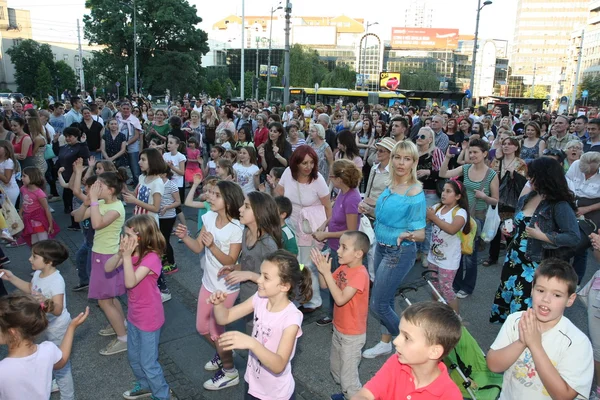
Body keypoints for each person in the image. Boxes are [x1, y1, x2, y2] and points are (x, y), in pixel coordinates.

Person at [209, 250, 311, 399]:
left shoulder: (292, 318)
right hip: (252, 384)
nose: (259, 280)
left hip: (275, 394)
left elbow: (279, 365)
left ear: (284, 286)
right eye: (261, 274)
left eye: (266, 277)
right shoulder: (260, 298)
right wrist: (218, 305)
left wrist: (252, 343)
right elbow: (225, 317)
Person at [489, 157, 580, 323]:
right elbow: (521, 225)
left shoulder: (559, 205)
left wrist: (543, 236)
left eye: (532, 177)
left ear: (545, 177)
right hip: (513, 261)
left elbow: (573, 237)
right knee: (511, 308)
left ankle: (525, 344)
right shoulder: (528, 197)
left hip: (535, 266)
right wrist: (510, 230)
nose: (529, 180)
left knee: (525, 313)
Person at [487, 259, 593, 399]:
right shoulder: (516, 321)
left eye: (557, 295)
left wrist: (535, 345)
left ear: (570, 299)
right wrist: (521, 342)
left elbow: (564, 396)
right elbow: (494, 365)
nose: (546, 299)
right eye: (541, 290)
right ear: (532, 289)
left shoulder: (576, 343)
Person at [175, 180, 244, 390]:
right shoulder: (209, 217)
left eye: (215, 195)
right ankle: (222, 352)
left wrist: (212, 245)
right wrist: (185, 237)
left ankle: (230, 371)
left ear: (228, 200)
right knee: (202, 328)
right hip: (208, 283)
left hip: (226, 289)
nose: (209, 197)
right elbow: (197, 247)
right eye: (210, 193)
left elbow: (230, 262)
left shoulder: (237, 228)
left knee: (215, 330)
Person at [362, 141, 426, 359]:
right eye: (398, 157)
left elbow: (420, 233)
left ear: (414, 162)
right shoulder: (390, 186)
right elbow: (387, 218)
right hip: (381, 247)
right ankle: (385, 343)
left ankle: (408, 344)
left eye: (407, 158)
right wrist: (369, 208)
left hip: (399, 252)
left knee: (378, 304)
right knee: (387, 300)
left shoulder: (414, 191)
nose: (401, 162)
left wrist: (405, 235)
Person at [104, 215, 171, 400]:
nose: (122, 238)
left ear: (140, 237)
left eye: (126, 235)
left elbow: (130, 282)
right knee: (134, 357)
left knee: (148, 363)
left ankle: (162, 395)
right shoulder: (130, 255)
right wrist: (120, 253)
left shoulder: (151, 258)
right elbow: (108, 268)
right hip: (134, 315)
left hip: (149, 317)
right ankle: (144, 385)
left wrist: (126, 258)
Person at [0, 240, 76, 399]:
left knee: (61, 364)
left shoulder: (56, 281)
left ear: (48, 262)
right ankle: (48, 376)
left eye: (34, 257)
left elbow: (58, 309)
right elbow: (31, 288)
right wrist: (12, 278)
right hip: (45, 324)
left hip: (58, 326)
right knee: (48, 357)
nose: (29, 259)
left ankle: (68, 396)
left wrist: (45, 303)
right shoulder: (38, 274)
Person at [351, 302, 463, 400]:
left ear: (434, 351)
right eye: (400, 333)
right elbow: (365, 394)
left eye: (407, 338)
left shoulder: (449, 396)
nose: (396, 341)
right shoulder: (396, 363)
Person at [72, 171, 127, 356]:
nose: (96, 188)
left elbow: (96, 224)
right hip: (100, 253)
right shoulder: (102, 203)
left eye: (100, 185)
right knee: (109, 298)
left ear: (111, 190)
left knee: (104, 301)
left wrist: (94, 200)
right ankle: (120, 324)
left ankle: (123, 339)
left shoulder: (116, 208)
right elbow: (78, 217)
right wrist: (87, 202)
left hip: (108, 256)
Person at [311, 232, 371, 400]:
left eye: (344, 247)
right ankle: (346, 395)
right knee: (336, 369)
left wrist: (326, 273)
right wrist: (322, 269)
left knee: (349, 380)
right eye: (340, 246)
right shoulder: (344, 267)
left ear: (359, 253)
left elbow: (340, 299)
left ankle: (354, 396)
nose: (338, 250)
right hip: (339, 328)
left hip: (352, 335)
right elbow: (325, 285)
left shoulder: (360, 274)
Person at [439, 139, 499, 299]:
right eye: (470, 152)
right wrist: (446, 158)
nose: (472, 155)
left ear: (485, 154)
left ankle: (467, 286)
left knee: (470, 255)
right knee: (457, 251)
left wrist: (484, 197)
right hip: (461, 215)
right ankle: (456, 283)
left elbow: (496, 200)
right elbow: (443, 174)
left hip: (477, 218)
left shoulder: (491, 174)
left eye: (475, 152)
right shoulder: (465, 168)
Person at [0, 292, 89, 400]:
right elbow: (62, 360)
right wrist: (71, 327)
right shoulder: (47, 350)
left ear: (12, 332)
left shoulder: (3, 370)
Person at [275, 145, 332, 312]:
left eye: (311, 162)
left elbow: (328, 208)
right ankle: (300, 297)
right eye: (304, 163)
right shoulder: (287, 174)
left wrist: (324, 230)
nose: (309, 167)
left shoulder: (319, 180)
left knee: (305, 265)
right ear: (296, 163)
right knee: (294, 264)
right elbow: (278, 195)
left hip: (309, 230)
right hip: (289, 226)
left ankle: (313, 301)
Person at [312, 159, 362, 327]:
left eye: (332, 176)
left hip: (341, 248)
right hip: (334, 245)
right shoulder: (343, 192)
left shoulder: (352, 198)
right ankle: (333, 314)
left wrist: (326, 234)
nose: (330, 178)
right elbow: (335, 213)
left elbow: (351, 230)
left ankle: (338, 318)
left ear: (340, 178)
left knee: (336, 284)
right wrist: (325, 223)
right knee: (331, 282)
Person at [218, 191, 281, 316]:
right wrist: (233, 268)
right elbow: (250, 263)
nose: (240, 209)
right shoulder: (246, 232)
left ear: (259, 212)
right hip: (247, 298)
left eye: (246, 206)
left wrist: (249, 275)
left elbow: (275, 282)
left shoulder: (268, 245)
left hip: (264, 303)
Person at [426, 180, 470, 315]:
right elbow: (426, 219)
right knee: (434, 287)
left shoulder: (460, 213)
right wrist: (428, 217)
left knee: (447, 289)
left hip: (448, 260)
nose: (444, 194)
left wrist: (433, 218)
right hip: (433, 257)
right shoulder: (438, 207)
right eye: (443, 190)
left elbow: (452, 229)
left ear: (458, 196)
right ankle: (436, 315)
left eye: (448, 191)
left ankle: (456, 319)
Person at [484, 136, 527, 267]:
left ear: (516, 147)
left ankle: (511, 256)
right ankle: (493, 256)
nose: (506, 146)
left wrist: (514, 175)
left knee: (509, 229)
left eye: (509, 144)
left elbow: (523, 183)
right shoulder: (497, 162)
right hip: (497, 197)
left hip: (511, 201)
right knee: (495, 228)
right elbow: (489, 177)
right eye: (504, 144)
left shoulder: (521, 163)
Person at [566, 151, 600, 283]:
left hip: (593, 210)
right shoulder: (575, 165)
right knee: (568, 240)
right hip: (573, 204)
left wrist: (587, 209)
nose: (586, 176)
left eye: (589, 173)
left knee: (580, 245)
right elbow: (566, 184)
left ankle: (576, 281)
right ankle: (563, 278)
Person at [415, 127, 445, 267]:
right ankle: (417, 251)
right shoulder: (413, 152)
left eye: (422, 136)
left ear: (430, 139)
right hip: (414, 192)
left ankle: (426, 253)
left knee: (427, 224)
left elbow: (442, 172)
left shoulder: (435, 151)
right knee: (415, 223)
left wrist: (428, 171)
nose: (418, 138)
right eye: (418, 135)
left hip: (430, 192)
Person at [53, 127, 90, 230]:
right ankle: (74, 221)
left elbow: (85, 162)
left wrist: (80, 174)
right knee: (68, 199)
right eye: (66, 136)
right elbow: (57, 153)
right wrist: (55, 142)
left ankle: (77, 222)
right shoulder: (65, 147)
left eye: (70, 136)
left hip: (75, 176)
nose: (68, 138)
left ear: (76, 136)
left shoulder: (81, 147)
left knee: (74, 199)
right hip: (66, 175)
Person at [124, 148, 166, 227]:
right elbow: (135, 194)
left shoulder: (157, 183)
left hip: (149, 222)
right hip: (137, 218)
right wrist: (124, 189)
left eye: (143, 160)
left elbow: (156, 208)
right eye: (140, 159)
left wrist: (135, 201)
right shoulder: (142, 177)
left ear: (152, 161)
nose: (139, 162)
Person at [18, 167, 59, 246]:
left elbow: (46, 209)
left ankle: (45, 256)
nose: (21, 178)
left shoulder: (39, 193)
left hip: (39, 219)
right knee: (34, 243)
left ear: (32, 177)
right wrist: (20, 213)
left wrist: (50, 225)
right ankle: (38, 256)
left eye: (24, 176)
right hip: (29, 219)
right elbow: (24, 203)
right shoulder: (23, 189)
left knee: (43, 242)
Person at [158, 167, 181, 275]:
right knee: (159, 239)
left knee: (165, 240)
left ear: (164, 174)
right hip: (157, 216)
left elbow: (178, 202)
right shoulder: (156, 183)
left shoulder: (171, 185)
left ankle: (172, 263)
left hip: (169, 216)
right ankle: (163, 260)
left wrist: (167, 207)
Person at [163, 136, 187, 230]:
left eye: (171, 143)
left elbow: (182, 172)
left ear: (177, 145)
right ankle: (173, 226)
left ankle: (185, 227)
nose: (168, 144)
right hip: (167, 183)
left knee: (177, 207)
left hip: (177, 184)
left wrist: (172, 167)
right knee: (169, 205)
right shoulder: (165, 155)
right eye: (168, 142)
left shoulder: (180, 156)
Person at [0, 140, 20, 206]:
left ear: (6, 149)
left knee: (9, 212)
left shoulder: (9, 162)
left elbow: (6, 180)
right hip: (2, 189)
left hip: (9, 190)